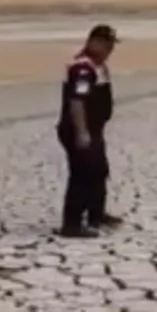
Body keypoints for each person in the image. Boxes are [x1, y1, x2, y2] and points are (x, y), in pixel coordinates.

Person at [56, 24, 124, 238]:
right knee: (82, 175)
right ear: (94, 42)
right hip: (79, 130)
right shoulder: (82, 68)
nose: (110, 50)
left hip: (94, 129)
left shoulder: (98, 66)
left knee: (99, 171)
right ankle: (72, 224)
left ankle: (97, 214)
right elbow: (77, 102)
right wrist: (82, 132)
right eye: (107, 45)